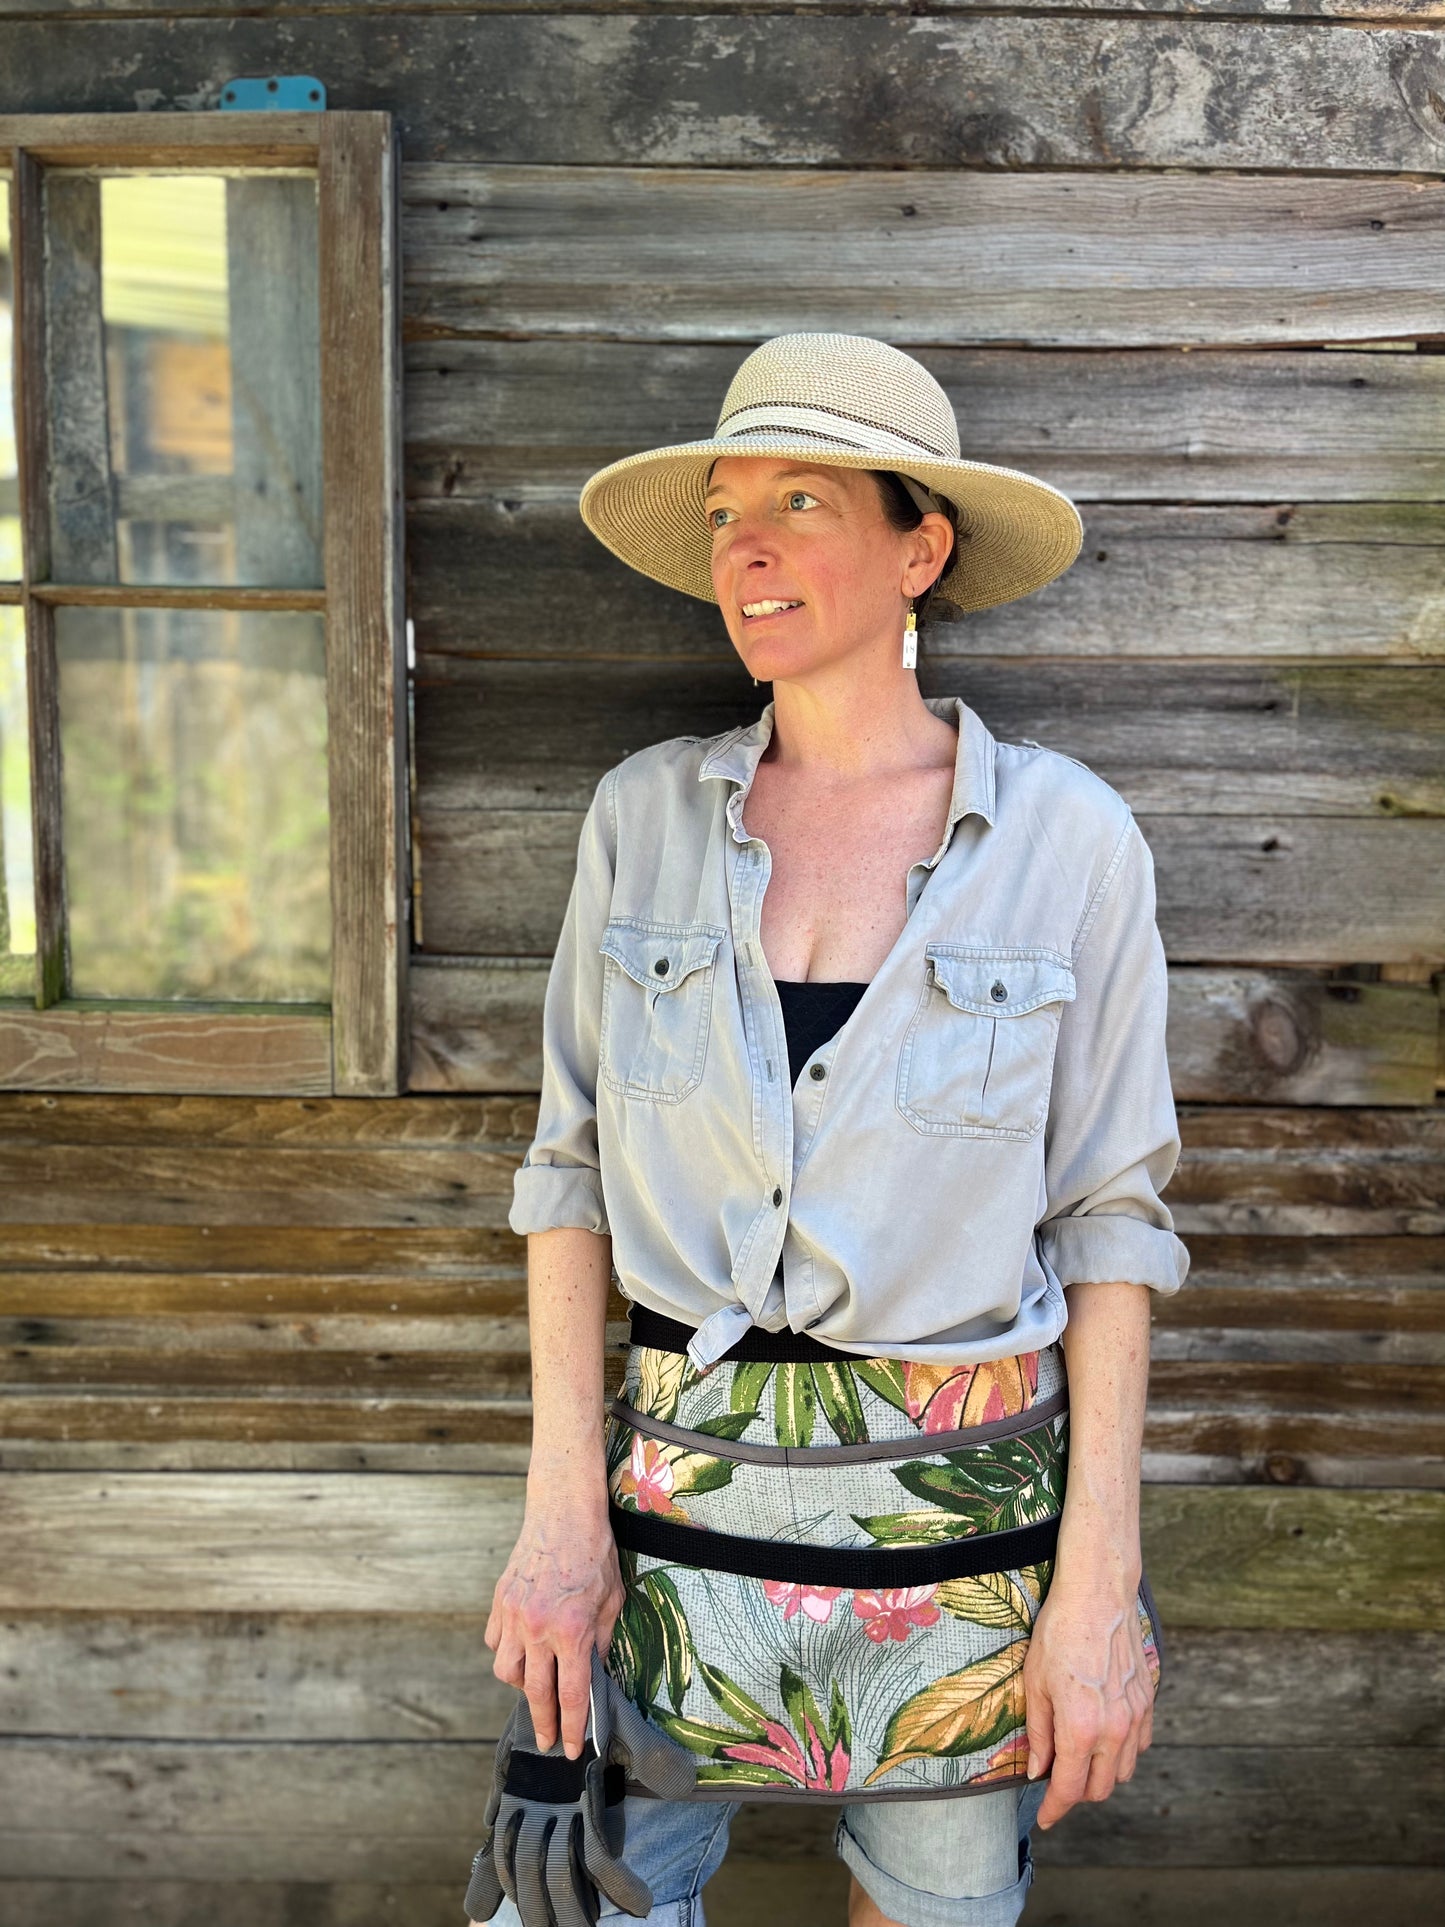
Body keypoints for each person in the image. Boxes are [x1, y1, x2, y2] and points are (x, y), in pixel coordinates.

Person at [475, 333, 1189, 1927]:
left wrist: (1096, 1590)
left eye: (801, 500)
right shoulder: (643, 820)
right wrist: (555, 1524)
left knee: (932, 1917)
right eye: (729, 509)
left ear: (917, 545)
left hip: (963, 1520)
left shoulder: (1065, 840)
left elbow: (1111, 1226)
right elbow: (569, 1179)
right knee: (566, 1904)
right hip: (669, 1508)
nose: (747, 545)